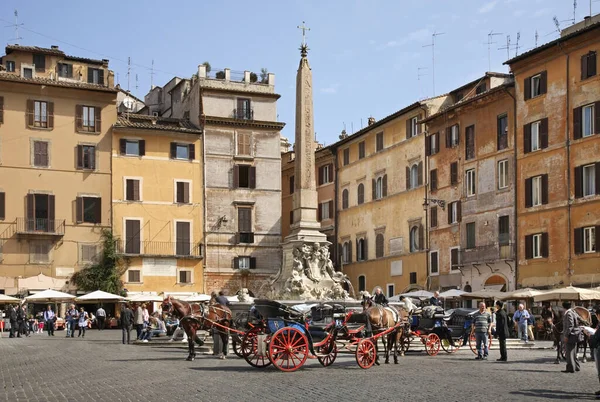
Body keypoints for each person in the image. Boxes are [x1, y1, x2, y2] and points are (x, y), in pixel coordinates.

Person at [562, 301, 581, 373]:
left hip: (571, 335)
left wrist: (566, 335)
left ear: (564, 307)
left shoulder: (568, 313)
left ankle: (570, 368)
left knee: (569, 352)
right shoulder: (573, 312)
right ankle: (576, 366)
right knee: (574, 352)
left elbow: (570, 325)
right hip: (575, 334)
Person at [213, 290, 230, 359]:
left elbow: (213, 304)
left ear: (219, 294)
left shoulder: (217, 298)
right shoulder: (225, 298)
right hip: (225, 312)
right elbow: (229, 303)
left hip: (219, 312)